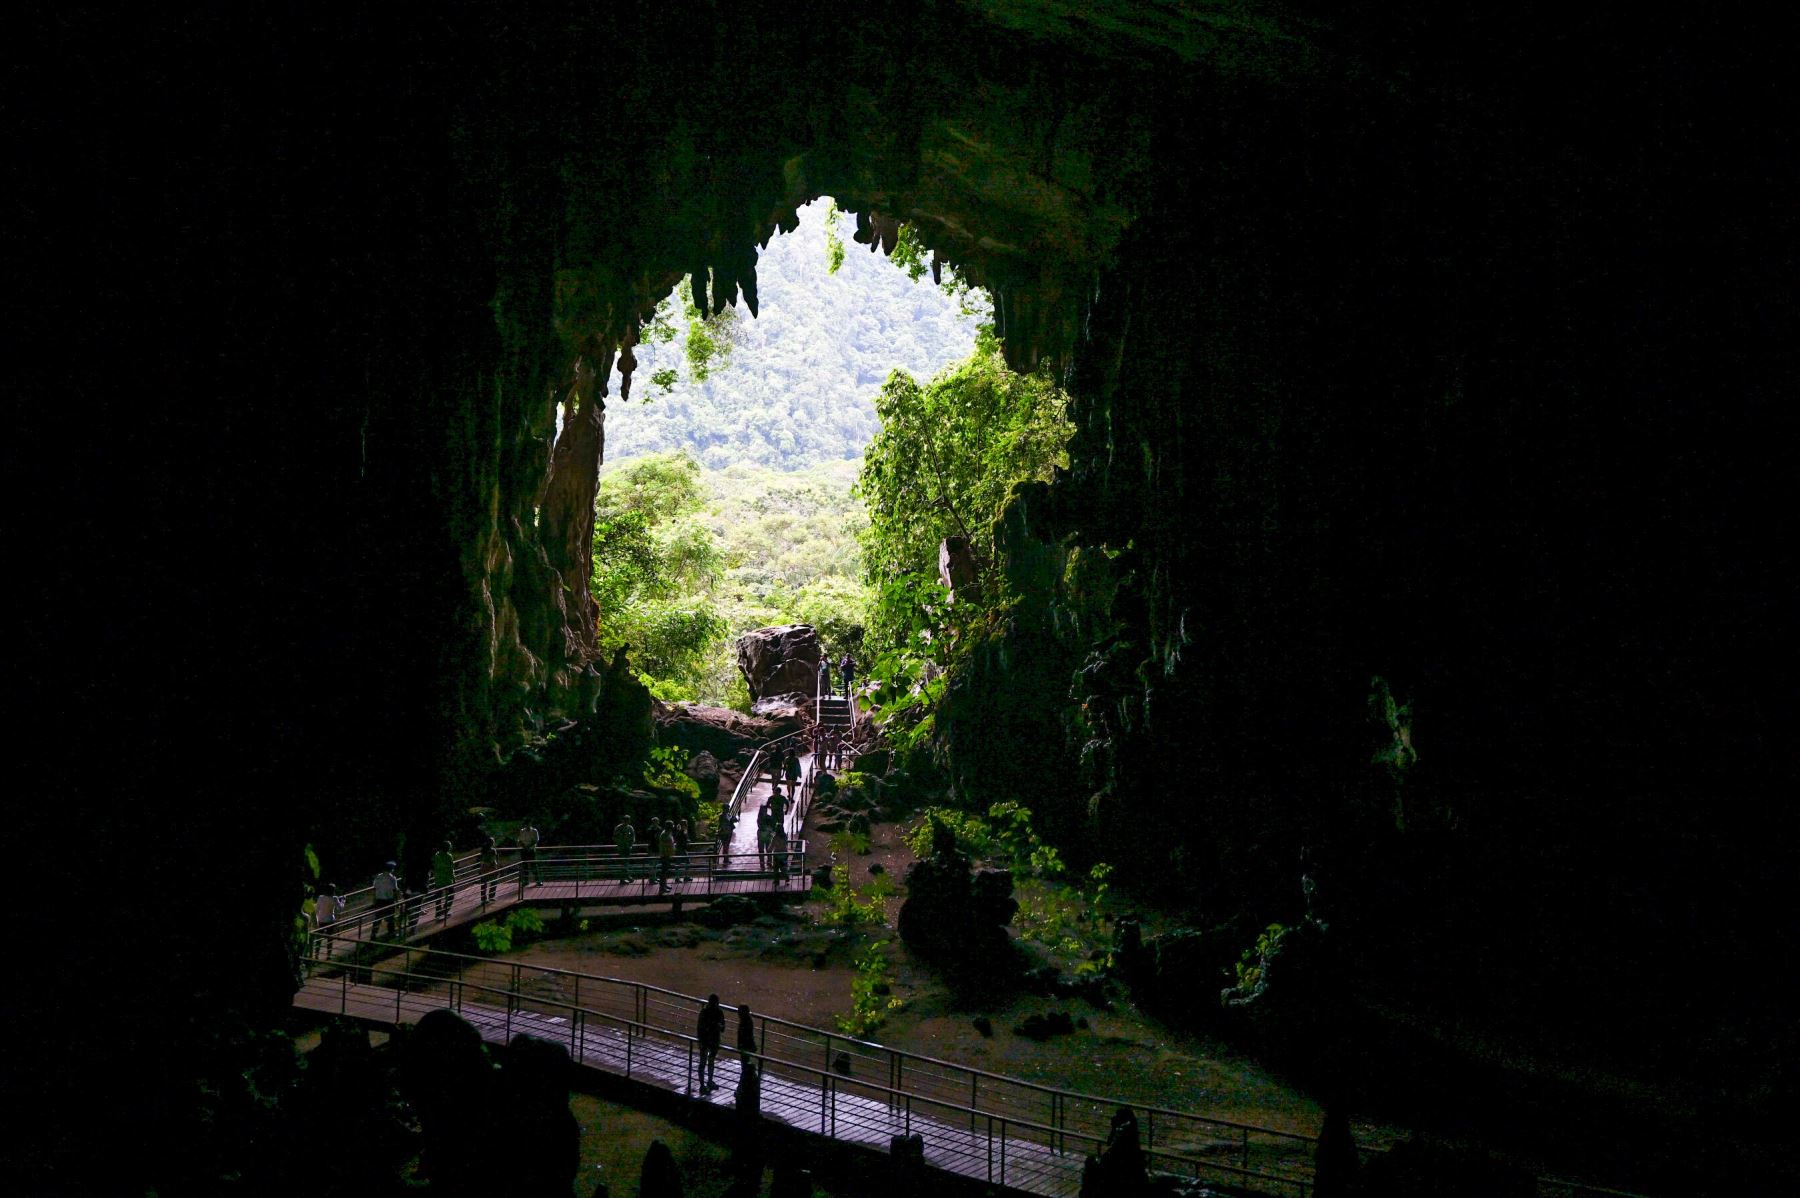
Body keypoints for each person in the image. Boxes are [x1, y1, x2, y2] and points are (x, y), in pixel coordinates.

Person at [696, 993, 726, 1092]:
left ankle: (703, 1084)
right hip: (713, 1040)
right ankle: (708, 1082)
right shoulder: (719, 1012)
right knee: (709, 1062)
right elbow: (723, 1028)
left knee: (704, 1062)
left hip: (706, 1040)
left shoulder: (704, 1012)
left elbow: (699, 1028)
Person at [311, 883, 342, 957]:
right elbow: (340, 909)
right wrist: (343, 901)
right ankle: (328, 955)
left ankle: (316, 954)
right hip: (330, 921)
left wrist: (317, 919)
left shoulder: (321, 897)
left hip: (321, 920)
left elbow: (317, 909)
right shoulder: (334, 898)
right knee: (329, 939)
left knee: (319, 939)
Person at [372, 861, 401, 939]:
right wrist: (397, 902)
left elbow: (375, 889)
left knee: (377, 918)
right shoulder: (392, 878)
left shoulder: (378, 877)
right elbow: (395, 890)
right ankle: (391, 933)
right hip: (388, 900)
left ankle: (373, 934)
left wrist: (374, 900)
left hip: (379, 900)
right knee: (390, 918)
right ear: (391, 869)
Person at [432, 839, 456, 920]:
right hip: (447, 880)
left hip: (438, 880)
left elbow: (434, 866)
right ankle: (445, 911)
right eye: (449, 846)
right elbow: (451, 869)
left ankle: (438, 914)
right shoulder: (449, 856)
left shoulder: (436, 855)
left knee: (438, 897)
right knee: (451, 895)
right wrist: (454, 878)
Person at [517, 820, 540, 884]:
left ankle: (538, 881)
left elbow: (536, 840)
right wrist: (524, 847)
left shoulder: (534, 831)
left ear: (530, 824)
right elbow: (520, 840)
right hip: (524, 850)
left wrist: (528, 846)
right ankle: (526, 881)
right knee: (525, 866)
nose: (527, 825)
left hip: (531, 850)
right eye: (526, 824)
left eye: (528, 824)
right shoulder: (522, 831)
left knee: (533, 865)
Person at [478, 834, 499, 903]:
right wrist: (496, 867)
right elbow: (493, 860)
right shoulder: (493, 850)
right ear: (492, 843)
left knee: (484, 884)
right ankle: (491, 896)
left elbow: (481, 859)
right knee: (494, 882)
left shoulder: (483, 850)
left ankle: (483, 899)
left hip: (483, 868)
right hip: (491, 868)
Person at [657, 823, 676, 894]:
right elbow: (666, 845)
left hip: (667, 855)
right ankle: (662, 888)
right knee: (663, 872)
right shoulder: (664, 834)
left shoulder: (668, 833)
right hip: (665, 855)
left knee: (665, 871)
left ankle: (664, 885)